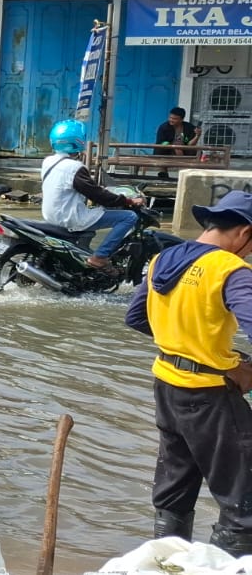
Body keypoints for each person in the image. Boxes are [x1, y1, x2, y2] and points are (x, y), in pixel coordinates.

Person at [125, 190, 252, 555]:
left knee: (174, 488)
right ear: (243, 232)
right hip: (210, 394)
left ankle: (167, 561)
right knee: (243, 500)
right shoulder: (230, 269)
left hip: (166, 384)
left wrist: (183, 341)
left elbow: (135, 317)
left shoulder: (163, 258)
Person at [42, 119, 144, 270]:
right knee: (129, 217)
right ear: (78, 142)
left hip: (51, 216)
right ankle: (99, 257)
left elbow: (74, 187)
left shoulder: (48, 161)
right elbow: (98, 195)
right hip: (70, 218)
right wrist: (128, 200)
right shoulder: (75, 167)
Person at [155, 107, 200, 178]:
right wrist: (173, 146)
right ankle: (164, 173)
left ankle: (183, 172)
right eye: (170, 117)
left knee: (194, 150)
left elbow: (190, 144)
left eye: (174, 119)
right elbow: (160, 143)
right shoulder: (164, 127)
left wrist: (197, 136)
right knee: (175, 148)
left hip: (184, 151)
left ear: (181, 119)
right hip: (167, 150)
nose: (171, 120)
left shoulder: (189, 127)